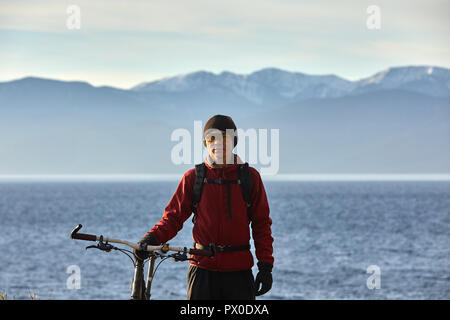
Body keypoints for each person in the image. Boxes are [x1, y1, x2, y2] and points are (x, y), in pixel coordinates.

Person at [134, 114, 274, 299]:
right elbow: (173, 219)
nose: (218, 144)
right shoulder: (194, 178)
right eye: (212, 138)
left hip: (239, 273)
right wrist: (150, 239)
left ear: (234, 141)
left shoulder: (250, 178)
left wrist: (265, 265)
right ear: (205, 143)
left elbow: (261, 224)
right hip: (202, 271)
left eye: (225, 138)